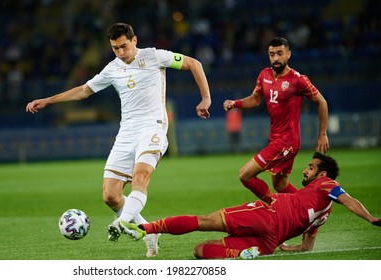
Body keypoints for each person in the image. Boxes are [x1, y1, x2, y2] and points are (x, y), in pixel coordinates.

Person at [26, 23, 212, 257]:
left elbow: (194, 64)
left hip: (152, 127)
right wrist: (48, 100)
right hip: (126, 133)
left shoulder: (155, 56)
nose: (121, 52)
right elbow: (84, 91)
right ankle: (149, 230)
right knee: (110, 195)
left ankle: (122, 222)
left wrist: (205, 98)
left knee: (140, 176)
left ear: (134, 41)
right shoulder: (112, 68)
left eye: (124, 46)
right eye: (115, 48)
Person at [119, 152, 381, 259]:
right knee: (201, 251)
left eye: (311, 167)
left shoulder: (325, 185)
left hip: (267, 214)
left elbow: (348, 200)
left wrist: (370, 219)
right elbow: (307, 246)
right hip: (270, 241)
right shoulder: (322, 213)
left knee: (204, 221)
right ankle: (245, 255)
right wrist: (287, 247)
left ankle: (147, 228)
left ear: (323, 174)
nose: (307, 169)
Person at [223, 37, 329, 204]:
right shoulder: (264, 75)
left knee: (245, 175)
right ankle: (310, 209)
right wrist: (234, 103)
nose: (276, 58)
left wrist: (322, 134)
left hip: (287, 142)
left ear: (289, 54)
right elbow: (255, 99)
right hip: (276, 139)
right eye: (272, 54)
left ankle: (277, 206)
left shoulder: (298, 80)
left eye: (280, 53)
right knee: (280, 185)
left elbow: (322, 102)